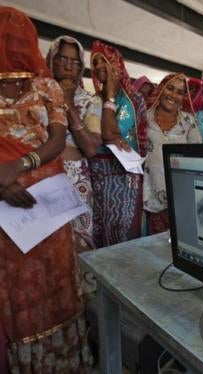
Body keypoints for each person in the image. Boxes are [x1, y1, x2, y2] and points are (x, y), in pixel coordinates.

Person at [0, 7, 92, 373]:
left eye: (19, 37)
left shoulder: (45, 85)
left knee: (56, 287)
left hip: (48, 208)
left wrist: (19, 166)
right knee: (18, 292)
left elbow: (57, 140)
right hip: (7, 214)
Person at [90, 40, 148, 247]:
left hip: (123, 175)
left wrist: (112, 95)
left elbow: (109, 133)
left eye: (102, 61)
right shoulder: (93, 99)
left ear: (115, 65)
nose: (97, 67)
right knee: (101, 233)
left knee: (123, 235)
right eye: (94, 63)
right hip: (97, 175)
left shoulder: (133, 99)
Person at [46, 35, 102, 252]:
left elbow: (90, 147)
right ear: (51, 59)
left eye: (75, 61)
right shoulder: (39, 94)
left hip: (75, 177)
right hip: (43, 175)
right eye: (62, 59)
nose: (69, 66)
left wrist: (67, 103)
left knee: (78, 244)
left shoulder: (90, 101)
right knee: (49, 244)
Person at [144, 73, 203, 234]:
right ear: (161, 88)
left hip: (180, 198)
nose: (173, 95)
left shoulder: (189, 121)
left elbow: (198, 158)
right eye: (170, 88)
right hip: (149, 197)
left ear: (184, 97)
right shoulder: (145, 117)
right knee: (152, 248)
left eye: (179, 92)